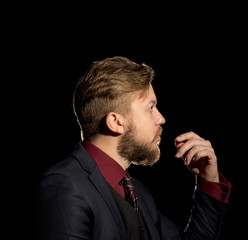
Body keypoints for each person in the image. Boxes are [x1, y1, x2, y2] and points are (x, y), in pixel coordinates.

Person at [36, 56, 232, 240]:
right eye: (150, 108)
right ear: (116, 122)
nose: (161, 118)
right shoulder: (64, 185)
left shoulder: (139, 194)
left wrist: (209, 181)